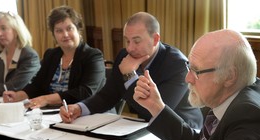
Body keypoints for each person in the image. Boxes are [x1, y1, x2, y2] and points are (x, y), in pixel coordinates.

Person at [59, 12, 203, 129]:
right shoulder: (124, 56)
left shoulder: (178, 65)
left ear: (155, 39)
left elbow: (156, 112)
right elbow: (108, 96)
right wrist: (79, 108)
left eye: (137, 41)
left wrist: (130, 75)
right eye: (127, 41)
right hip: (144, 128)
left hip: (183, 131)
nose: (130, 48)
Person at [3, 5, 105, 108]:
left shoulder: (93, 56)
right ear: (54, 35)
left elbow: (85, 92)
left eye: (69, 28)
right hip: (52, 114)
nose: (65, 34)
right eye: (59, 31)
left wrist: (46, 99)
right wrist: (17, 96)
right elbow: (37, 85)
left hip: (87, 113)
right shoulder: (51, 55)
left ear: (78, 29)